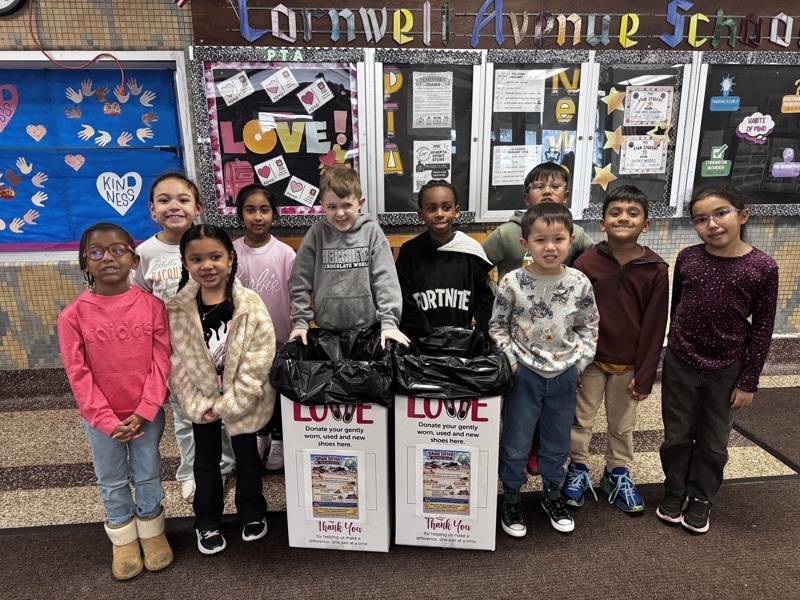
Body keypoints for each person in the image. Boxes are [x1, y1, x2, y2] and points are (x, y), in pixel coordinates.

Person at [658, 184, 778, 534]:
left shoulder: (762, 267)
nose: (711, 224)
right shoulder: (688, 258)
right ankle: (674, 490)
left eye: (720, 213)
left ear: (742, 215)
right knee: (677, 434)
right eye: (700, 219)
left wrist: (748, 381)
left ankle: (701, 497)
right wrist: (671, 343)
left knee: (713, 439)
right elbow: (677, 304)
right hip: (681, 361)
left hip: (728, 367)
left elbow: (763, 329)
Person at [58, 223, 173, 580]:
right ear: (84, 263)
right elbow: (79, 376)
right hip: (100, 419)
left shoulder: (153, 306)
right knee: (110, 478)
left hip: (146, 414)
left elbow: (162, 360)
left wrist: (145, 410)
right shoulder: (73, 315)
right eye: (96, 252)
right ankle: (123, 536)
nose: (107, 257)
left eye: (117, 250)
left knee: (148, 472)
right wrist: (105, 419)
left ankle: (152, 530)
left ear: (134, 259)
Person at [489, 203, 599, 538]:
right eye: (540, 240)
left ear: (571, 240)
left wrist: (579, 363)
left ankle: (553, 494)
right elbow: (498, 327)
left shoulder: (579, 282)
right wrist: (511, 362)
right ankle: (511, 497)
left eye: (558, 239)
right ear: (525, 244)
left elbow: (589, 326)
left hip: (565, 376)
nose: (549, 247)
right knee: (516, 441)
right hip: (524, 374)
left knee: (556, 441)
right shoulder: (512, 282)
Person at [168, 224, 275, 555]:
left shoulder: (249, 304)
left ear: (230, 258)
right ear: (185, 263)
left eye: (215, 256)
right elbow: (176, 362)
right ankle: (207, 521)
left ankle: (253, 512)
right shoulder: (178, 309)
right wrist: (198, 404)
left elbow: (260, 356)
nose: (207, 265)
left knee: (247, 459)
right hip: (202, 402)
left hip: (244, 401)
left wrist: (233, 401)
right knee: (206, 462)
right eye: (196, 259)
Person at [561, 186, 669, 514]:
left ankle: (616, 472)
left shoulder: (656, 269)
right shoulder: (585, 263)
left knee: (623, 424)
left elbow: (655, 325)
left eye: (632, 213)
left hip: (630, 365)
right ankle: (577, 468)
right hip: (590, 360)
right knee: (580, 420)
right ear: (602, 222)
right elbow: (571, 316)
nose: (624, 217)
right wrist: (573, 362)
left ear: (646, 224)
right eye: (616, 212)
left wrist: (647, 371)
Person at [482, 162, 594, 476]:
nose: (547, 191)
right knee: (520, 405)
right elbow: (475, 265)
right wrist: (495, 292)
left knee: (554, 408)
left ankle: (540, 451)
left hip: (560, 340)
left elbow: (596, 268)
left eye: (555, 185)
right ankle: (517, 452)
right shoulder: (507, 232)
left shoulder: (578, 234)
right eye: (538, 186)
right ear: (526, 196)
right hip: (518, 341)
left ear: (567, 195)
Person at [132, 172, 235, 503]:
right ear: (151, 209)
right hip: (177, 356)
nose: (173, 206)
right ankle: (191, 470)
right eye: (164, 200)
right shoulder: (144, 254)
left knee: (222, 412)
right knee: (186, 415)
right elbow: (139, 304)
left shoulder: (212, 245)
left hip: (217, 350)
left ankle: (223, 465)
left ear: (198, 208)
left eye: (182, 199)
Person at [289, 166, 409, 349]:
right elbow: (300, 281)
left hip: (369, 330)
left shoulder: (372, 232)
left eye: (347, 205)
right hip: (327, 331)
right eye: (332, 207)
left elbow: (386, 280)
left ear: (360, 203)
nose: (340, 213)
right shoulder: (316, 234)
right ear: (322, 205)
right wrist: (301, 321)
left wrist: (389, 322)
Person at [233, 184, 295, 472]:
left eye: (264, 210)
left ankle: (280, 439)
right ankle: (261, 433)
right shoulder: (231, 253)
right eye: (250, 210)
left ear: (274, 214)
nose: (257, 217)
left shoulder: (284, 254)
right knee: (256, 390)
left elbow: (296, 295)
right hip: (246, 343)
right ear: (240, 214)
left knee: (278, 388)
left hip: (281, 339)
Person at [395, 179, 494, 335]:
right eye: (432, 208)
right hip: (421, 343)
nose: (439, 214)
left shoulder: (470, 252)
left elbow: (483, 302)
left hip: (461, 344)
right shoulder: (410, 252)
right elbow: (402, 297)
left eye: (446, 208)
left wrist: (492, 337)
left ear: (456, 211)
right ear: (421, 213)